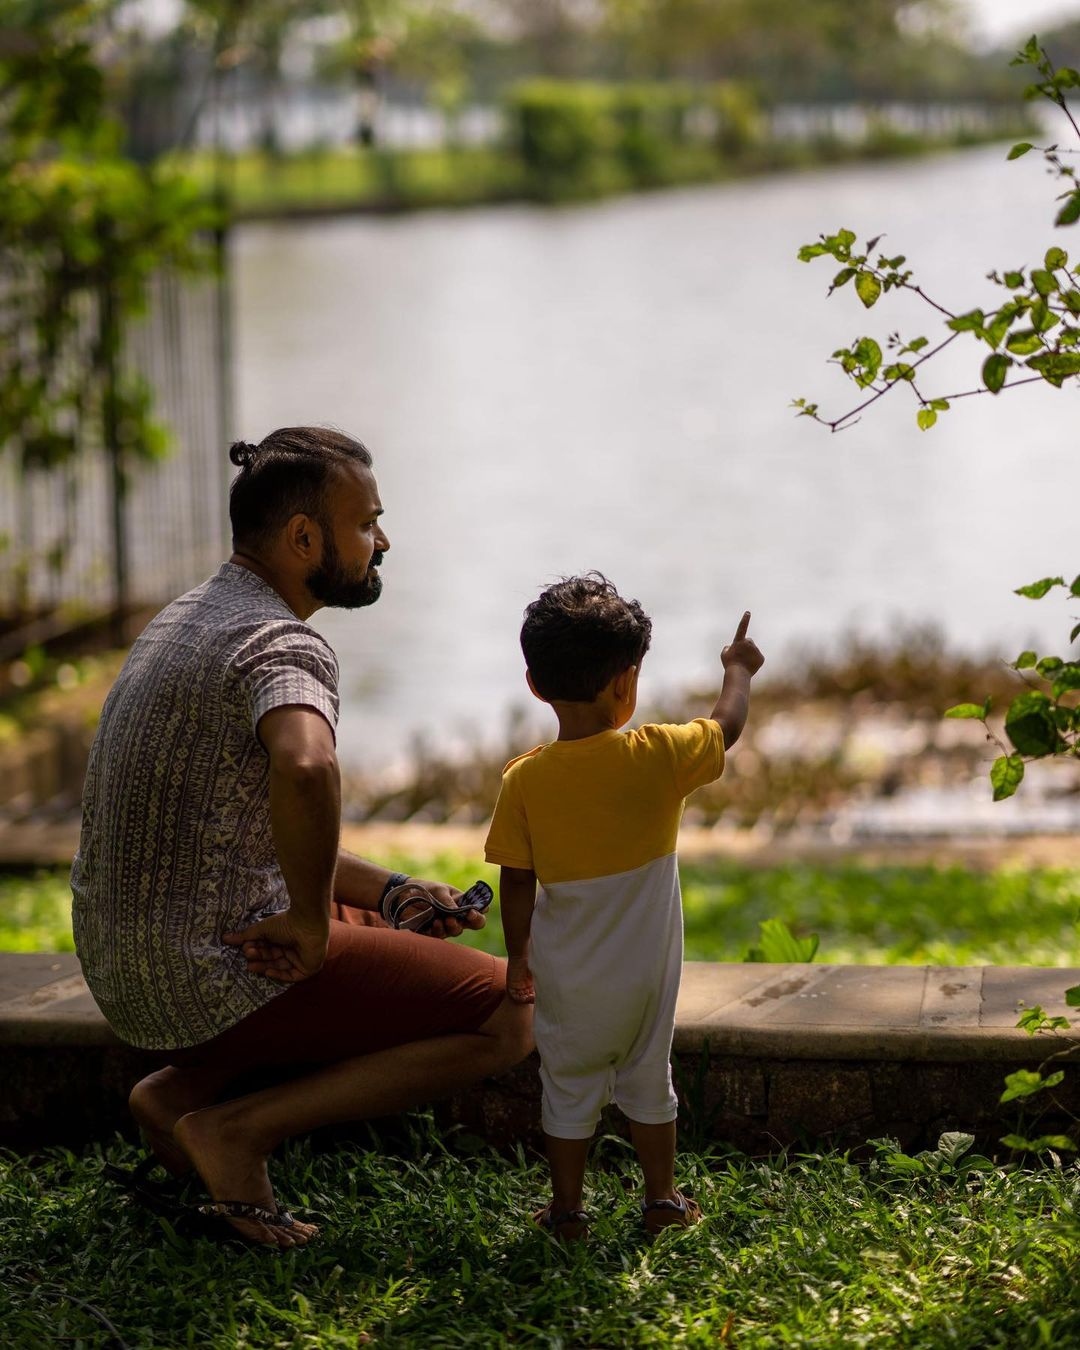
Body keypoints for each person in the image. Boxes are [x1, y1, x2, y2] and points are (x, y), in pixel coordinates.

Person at [71, 426, 533, 1248]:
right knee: (509, 1013)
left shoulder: (187, 615)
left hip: (123, 965)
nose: (382, 541)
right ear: (302, 538)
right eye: (368, 525)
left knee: (378, 921)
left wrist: (390, 891)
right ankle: (238, 1129)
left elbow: (244, 831)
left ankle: (177, 1097)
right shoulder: (282, 642)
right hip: (204, 968)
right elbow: (308, 767)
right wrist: (315, 929)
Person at [484, 574, 763, 1241]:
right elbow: (728, 727)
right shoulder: (659, 756)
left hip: (568, 981)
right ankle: (662, 1199)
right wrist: (738, 668)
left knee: (569, 1088)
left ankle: (568, 1209)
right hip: (646, 981)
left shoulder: (524, 780)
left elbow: (516, 880)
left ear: (534, 684)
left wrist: (518, 953)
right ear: (626, 682)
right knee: (647, 1081)